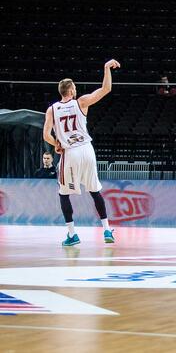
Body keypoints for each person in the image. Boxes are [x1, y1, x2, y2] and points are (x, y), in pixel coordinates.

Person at [42, 59, 120, 246]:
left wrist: (57, 144)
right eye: (75, 87)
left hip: (70, 152)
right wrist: (106, 67)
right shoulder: (81, 102)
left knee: (63, 193)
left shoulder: (52, 110)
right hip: (87, 149)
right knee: (95, 190)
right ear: (71, 90)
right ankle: (107, 230)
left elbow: (46, 135)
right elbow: (105, 89)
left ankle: (72, 234)